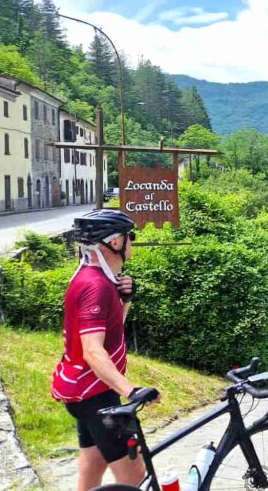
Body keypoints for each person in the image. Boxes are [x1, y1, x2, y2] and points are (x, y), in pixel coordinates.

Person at [51, 209, 156, 491]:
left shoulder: (96, 278)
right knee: (135, 475)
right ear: (115, 242)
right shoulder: (96, 286)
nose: (132, 242)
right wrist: (131, 391)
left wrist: (125, 300)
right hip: (96, 393)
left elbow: (111, 334)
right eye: (129, 236)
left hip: (84, 393)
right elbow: (93, 351)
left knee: (92, 462)